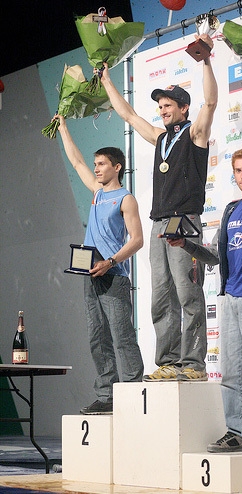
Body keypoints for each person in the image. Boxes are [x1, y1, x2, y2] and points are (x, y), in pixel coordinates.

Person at [167, 81, 242, 454]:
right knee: (231, 374)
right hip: (231, 299)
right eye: (238, 170)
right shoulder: (232, 210)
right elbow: (218, 258)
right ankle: (235, 430)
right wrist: (185, 244)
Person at [98, 33, 218, 382]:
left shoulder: (195, 134)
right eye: (161, 106)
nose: (163, 110)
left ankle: (193, 364)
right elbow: (130, 115)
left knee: (188, 293)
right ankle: (168, 361)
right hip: (157, 224)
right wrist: (107, 80)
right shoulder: (160, 137)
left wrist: (205, 61)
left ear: (183, 108)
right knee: (161, 295)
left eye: (169, 105)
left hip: (185, 222)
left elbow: (209, 103)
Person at [54, 114, 144, 414]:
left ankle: (132, 392)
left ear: (116, 167)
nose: (96, 168)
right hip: (88, 274)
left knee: (121, 336)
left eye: (102, 164)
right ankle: (107, 395)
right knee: (97, 337)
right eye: (97, 165)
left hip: (114, 275)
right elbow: (76, 162)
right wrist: (64, 128)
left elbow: (137, 240)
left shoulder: (125, 198)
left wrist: (110, 261)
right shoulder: (96, 192)